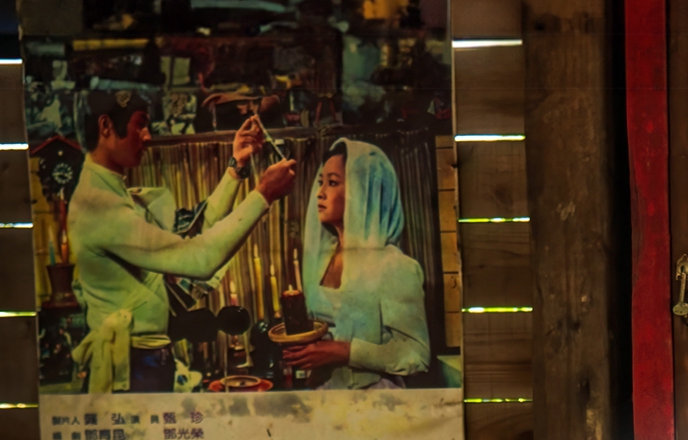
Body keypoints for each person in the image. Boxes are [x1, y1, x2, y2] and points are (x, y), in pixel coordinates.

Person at [65, 91, 296, 392]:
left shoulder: (111, 193)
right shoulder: (99, 205)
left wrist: (236, 168)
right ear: (106, 127)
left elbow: (193, 239)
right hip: (133, 364)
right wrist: (263, 194)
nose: (147, 137)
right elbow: (197, 259)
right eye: (140, 125)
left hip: (145, 359)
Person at [282, 139, 431, 389]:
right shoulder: (321, 261)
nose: (320, 192)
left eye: (332, 182)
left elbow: (416, 355)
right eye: (320, 183)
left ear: (362, 190)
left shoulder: (394, 265)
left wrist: (341, 352)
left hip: (375, 403)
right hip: (323, 396)